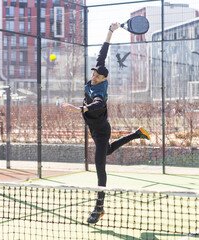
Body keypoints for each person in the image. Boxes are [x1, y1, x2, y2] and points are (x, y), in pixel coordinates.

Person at [62, 23, 151, 224]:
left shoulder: (99, 91)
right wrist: (110, 31)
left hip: (101, 131)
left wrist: (80, 109)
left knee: (100, 167)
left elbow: (97, 103)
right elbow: (103, 53)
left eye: (96, 76)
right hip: (97, 129)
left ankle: (99, 208)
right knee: (108, 151)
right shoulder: (97, 75)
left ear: (103, 79)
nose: (93, 77)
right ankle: (137, 134)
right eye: (93, 74)